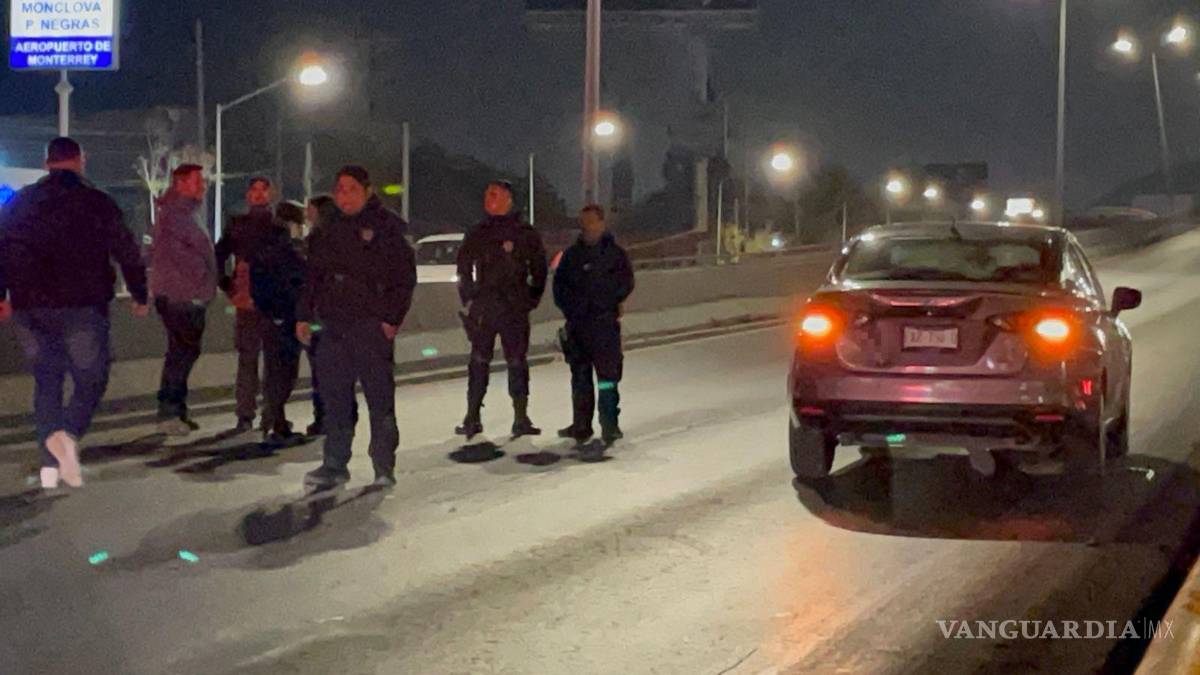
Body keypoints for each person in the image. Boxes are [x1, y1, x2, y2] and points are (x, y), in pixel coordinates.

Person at [0, 137, 150, 490]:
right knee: (92, 376)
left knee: (47, 380)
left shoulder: (20, 202)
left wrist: (2, 294)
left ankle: (51, 464)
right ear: (80, 160)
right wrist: (140, 293)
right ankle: (68, 433)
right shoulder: (96, 201)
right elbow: (126, 250)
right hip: (81, 303)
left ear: (46, 161)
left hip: (30, 306)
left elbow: (2, 249)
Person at [297, 166, 416, 490]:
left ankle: (383, 466)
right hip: (333, 324)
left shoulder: (388, 227)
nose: (344, 196)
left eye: (351, 189)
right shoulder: (327, 228)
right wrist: (304, 315)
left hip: (370, 325)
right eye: (340, 189)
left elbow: (404, 278)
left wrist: (391, 319)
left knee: (379, 399)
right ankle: (335, 464)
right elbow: (312, 277)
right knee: (335, 398)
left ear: (367, 190)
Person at [454, 180, 548, 439]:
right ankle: (472, 415)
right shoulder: (478, 232)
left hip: (514, 307)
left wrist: (531, 299)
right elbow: (463, 267)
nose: (488, 199)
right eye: (487, 194)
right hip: (485, 306)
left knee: (517, 362)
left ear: (508, 199)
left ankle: (520, 416)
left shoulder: (525, 233)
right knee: (478, 361)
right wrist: (469, 297)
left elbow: (539, 270)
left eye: (494, 195)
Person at [553, 205, 635, 447]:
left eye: (590, 221)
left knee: (608, 378)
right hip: (578, 326)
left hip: (604, 325)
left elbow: (626, 282)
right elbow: (559, 288)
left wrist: (607, 302)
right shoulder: (571, 256)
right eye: (583, 221)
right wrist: (572, 309)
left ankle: (609, 426)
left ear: (601, 223)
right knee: (580, 378)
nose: (586, 226)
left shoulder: (615, 254)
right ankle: (581, 425)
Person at [148, 164, 217, 436]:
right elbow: (182, 256)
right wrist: (201, 282)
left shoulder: (184, 213)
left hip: (183, 293)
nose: (202, 186)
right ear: (180, 184)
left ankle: (176, 410)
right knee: (181, 354)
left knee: (183, 352)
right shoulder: (177, 215)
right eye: (197, 181)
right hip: (182, 296)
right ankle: (169, 412)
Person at [215, 177, 277, 432]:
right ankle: (245, 413)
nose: (259, 194)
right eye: (254, 190)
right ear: (248, 195)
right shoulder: (237, 226)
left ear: (271, 194)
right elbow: (218, 256)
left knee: (275, 361)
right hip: (248, 300)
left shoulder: (279, 225)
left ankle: (273, 413)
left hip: (274, 301)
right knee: (248, 358)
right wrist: (228, 286)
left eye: (264, 190)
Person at [250, 207, 307, 445]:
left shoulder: (261, 250)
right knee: (285, 373)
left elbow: (257, 286)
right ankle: (274, 421)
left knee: (274, 371)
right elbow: (298, 283)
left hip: (270, 318)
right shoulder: (286, 251)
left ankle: (276, 421)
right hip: (286, 319)